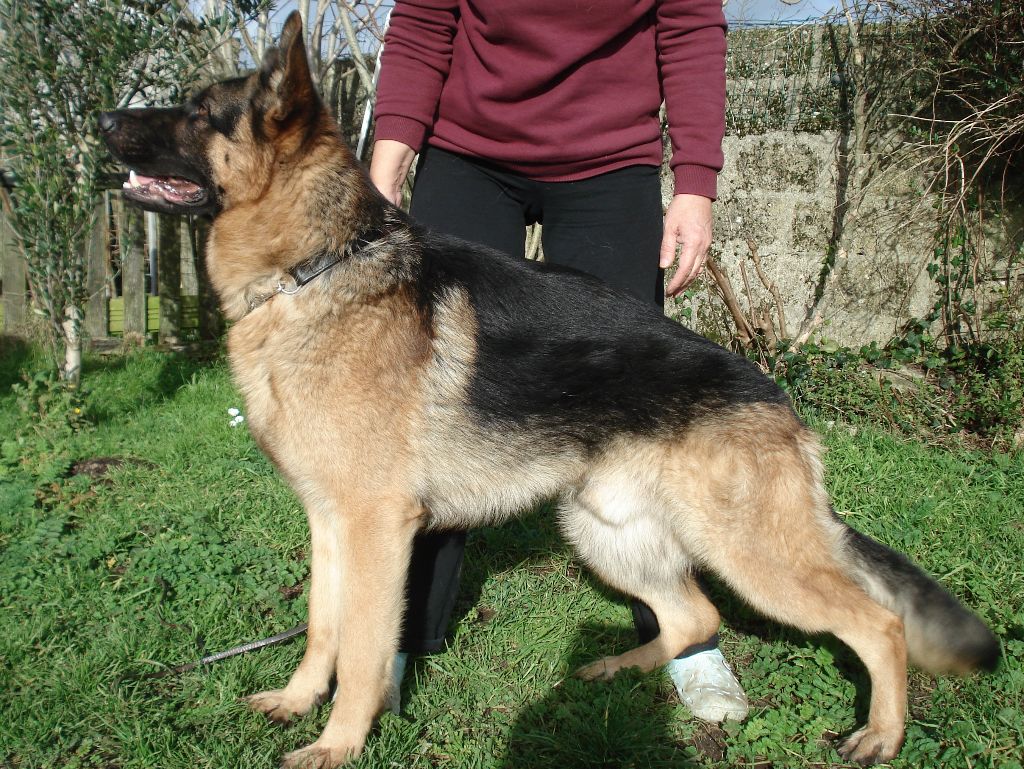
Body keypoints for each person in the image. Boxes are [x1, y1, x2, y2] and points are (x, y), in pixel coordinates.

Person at [368, 0, 749, 723]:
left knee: (630, 407)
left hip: (609, 160)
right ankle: (396, 634)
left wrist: (695, 182)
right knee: (432, 398)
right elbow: (423, 18)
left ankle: (682, 633)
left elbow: (692, 26)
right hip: (468, 153)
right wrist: (389, 163)